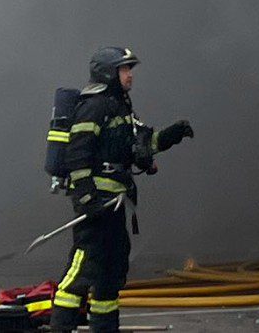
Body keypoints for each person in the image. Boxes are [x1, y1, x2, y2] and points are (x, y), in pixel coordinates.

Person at [50, 47, 194, 333]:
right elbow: (77, 156)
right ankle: (61, 327)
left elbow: (141, 146)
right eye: (124, 69)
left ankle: (105, 328)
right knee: (82, 269)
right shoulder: (94, 107)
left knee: (111, 271)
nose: (130, 75)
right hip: (96, 204)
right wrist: (87, 198)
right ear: (108, 73)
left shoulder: (121, 108)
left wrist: (171, 135)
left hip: (116, 202)